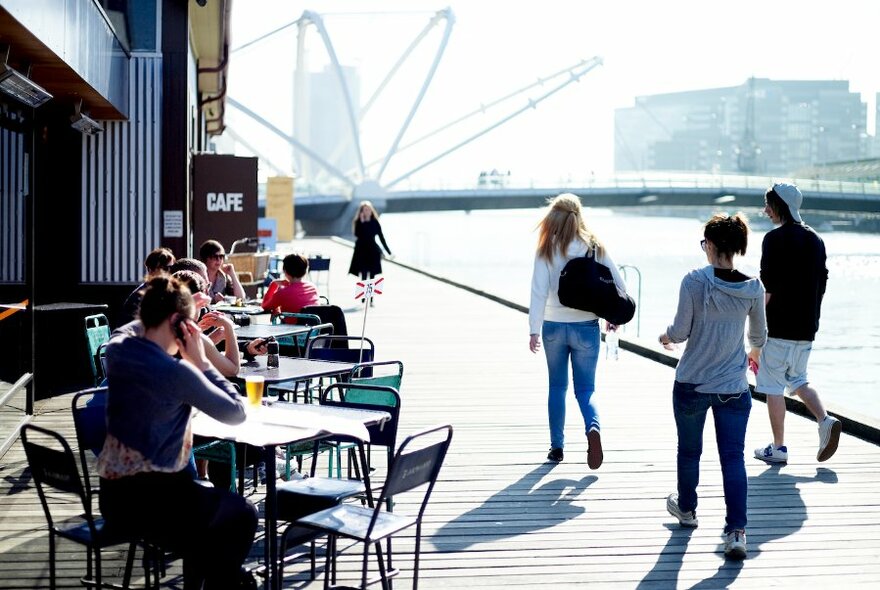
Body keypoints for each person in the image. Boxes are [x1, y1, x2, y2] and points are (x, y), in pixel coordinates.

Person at [97, 276, 257, 589]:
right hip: (162, 508)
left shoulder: (117, 351)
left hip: (115, 502)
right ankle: (226, 581)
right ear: (178, 324)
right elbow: (236, 413)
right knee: (242, 513)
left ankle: (221, 580)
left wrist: (176, 306)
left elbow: (129, 329)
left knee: (208, 529)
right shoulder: (177, 373)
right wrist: (202, 363)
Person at [659, 213, 766, 561]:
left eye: (705, 243)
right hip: (734, 386)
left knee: (690, 451)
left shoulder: (693, 281)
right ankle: (737, 532)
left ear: (713, 246)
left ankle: (687, 510)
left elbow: (680, 331)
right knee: (733, 458)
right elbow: (759, 336)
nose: (704, 249)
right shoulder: (753, 287)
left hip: (691, 382)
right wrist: (752, 352)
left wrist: (665, 337)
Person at [528, 193, 627, 469]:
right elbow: (619, 285)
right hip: (586, 327)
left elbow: (537, 293)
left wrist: (533, 330)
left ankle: (557, 448)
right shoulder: (594, 246)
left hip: (553, 327)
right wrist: (610, 316)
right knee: (586, 389)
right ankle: (592, 429)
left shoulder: (546, 248)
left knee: (557, 387)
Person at [751, 183, 841, 464]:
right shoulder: (816, 240)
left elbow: (768, 289)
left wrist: (754, 335)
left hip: (778, 327)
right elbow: (822, 284)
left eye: (768, 204)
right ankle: (824, 420)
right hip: (806, 328)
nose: (765, 210)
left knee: (773, 386)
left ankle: (778, 448)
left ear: (780, 206)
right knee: (798, 379)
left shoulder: (773, 240)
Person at [348, 201, 392, 304]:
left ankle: (371, 299)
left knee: (372, 276)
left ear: (371, 211)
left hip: (372, 251)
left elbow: (381, 238)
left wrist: (388, 251)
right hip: (361, 251)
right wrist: (363, 222)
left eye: (368, 209)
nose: (367, 211)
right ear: (361, 211)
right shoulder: (358, 222)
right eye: (365, 210)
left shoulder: (375, 222)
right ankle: (363, 298)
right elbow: (358, 235)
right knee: (363, 275)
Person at [119, 247, 175, 325]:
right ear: (150, 270)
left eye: (172, 268)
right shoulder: (143, 294)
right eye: (166, 268)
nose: (170, 272)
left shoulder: (160, 290)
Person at [261, 253, 320, 318]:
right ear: (306, 270)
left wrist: (274, 284)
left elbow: (265, 306)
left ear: (285, 271)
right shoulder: (313, 287)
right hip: (314, 326)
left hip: (293, 327)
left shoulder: (282, 293)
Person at [199, 239, 246, 304]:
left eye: (221, 256)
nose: (218, 260)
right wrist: (213, 300)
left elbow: (240, 298)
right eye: (215, 256)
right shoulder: (198, 276)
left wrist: (232, 275)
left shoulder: (224, 277)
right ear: (205, 258)